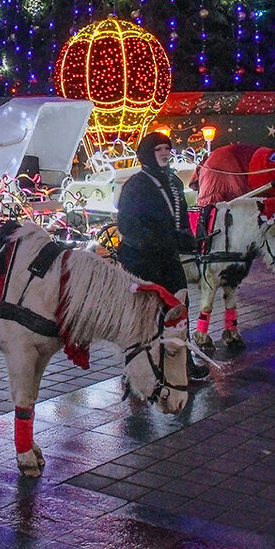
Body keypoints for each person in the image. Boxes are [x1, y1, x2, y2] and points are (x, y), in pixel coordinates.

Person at [116, 131, 208, 380]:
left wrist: (186, 238)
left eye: (167, 148)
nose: (165, 153)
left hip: (168, 259)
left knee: (179, 311)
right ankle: (135, 369)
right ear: (147, 154)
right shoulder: (136, 185)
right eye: (159, 149)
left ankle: (184, 364)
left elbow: (180, 218)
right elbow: (127, 225)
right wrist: (159, 241)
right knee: (142, 318)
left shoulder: (174, 182)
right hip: (142, 262)